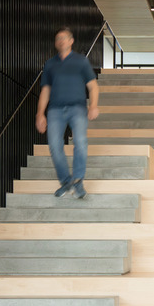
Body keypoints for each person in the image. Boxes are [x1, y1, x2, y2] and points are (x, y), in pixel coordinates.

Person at [36, 26, 100, 199]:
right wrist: (40, 114)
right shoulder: (50, 64)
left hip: (77, 108)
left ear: (71, 41)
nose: (61, 41)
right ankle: (66, 182)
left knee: (80, 141)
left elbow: (93, 86)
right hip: (55, 110)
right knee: (55, 147)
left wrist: (93, 105)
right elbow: (45, 90)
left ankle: (78, 181)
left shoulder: (81, 61)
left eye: (64, 38)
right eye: (58, 38)